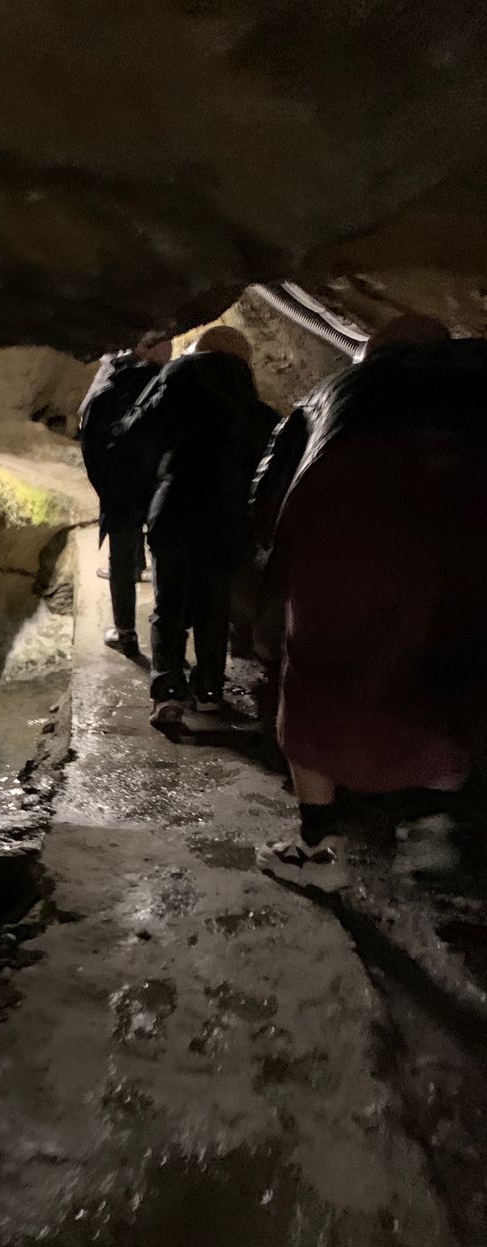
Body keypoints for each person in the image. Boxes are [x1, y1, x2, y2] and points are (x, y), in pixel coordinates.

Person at [251, 315, 487, 888]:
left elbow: (268, 484)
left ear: (370, 353)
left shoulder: (336, 392)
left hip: (348, 530)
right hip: (468, 531)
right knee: (446, 671)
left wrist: (271, 558)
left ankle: (319, 848)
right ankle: (430, 826)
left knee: (314, 682)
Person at [116, 325, 278, 730]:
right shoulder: (256, 409)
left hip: (176, 505)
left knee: (169, 603)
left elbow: (137, 432)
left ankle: (168, 692)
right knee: (213, 603)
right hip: (226, 515)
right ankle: (208, 692)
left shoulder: (178, 378)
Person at [77, 335, 172, 654]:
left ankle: (125, 633)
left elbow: (90, 439)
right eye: (163, 342)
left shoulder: (111, 382)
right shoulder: (173, 384)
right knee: (163, 557)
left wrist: (106, 489)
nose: (168, 347)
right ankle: (165, 640)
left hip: (123, 489)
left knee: (121, 555)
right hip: (160, 487)